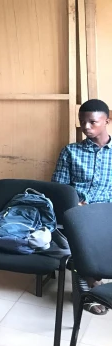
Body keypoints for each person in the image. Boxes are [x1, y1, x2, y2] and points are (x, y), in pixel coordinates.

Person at [52, 98, 112, 315]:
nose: (86, 127)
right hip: (77, 211)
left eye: (93, 122)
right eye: (82, 122)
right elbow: (59, 187)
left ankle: (89, 283)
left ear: (107, 120)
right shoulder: (70, 152)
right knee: (79, 230)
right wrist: (75, 203)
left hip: (107, 212)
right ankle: (91, 286)